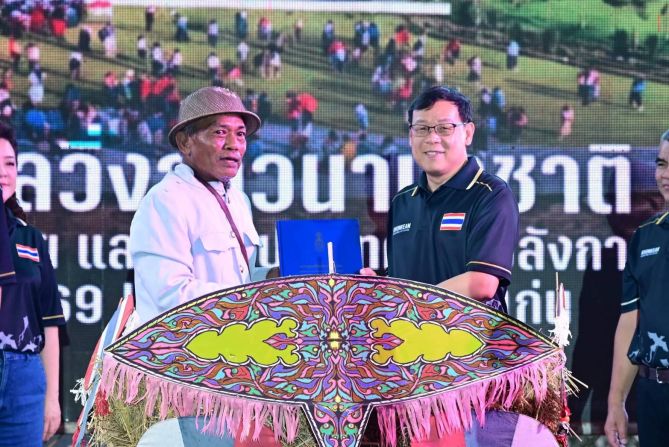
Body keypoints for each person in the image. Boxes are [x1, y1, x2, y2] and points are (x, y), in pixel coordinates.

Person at [361, 86, 519, 313]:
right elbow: (404, 278)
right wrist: (380, 285)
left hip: (470, 335)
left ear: (468, 133)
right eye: (421, 128)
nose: (432, 138)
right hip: (408, 334)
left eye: (444, 128)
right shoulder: (403, 201)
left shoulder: (491, 194)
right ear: (411, 136)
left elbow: (481, 283)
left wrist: (410, 303)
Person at [129, 86, 278, 325]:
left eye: (240, 134)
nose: (234, 144)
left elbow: (240, 281)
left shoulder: (239, 200)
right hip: (179, 346)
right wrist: (250, 299)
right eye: (220, 132)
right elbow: (171, 295)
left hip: (231, 341)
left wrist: (273, 279)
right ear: (184, 142)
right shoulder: (164, 200)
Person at [0, 122, 65, 445]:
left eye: (10, 163)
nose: (3, 173)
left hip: (24, 381)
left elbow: (50, 322)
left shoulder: (31, 238)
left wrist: (52, 398)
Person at [605, 130, 669, 447]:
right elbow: (630, 321)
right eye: (661, 164)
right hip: (652, 394)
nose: (665, 175)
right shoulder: (644, 237)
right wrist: (616, 401)